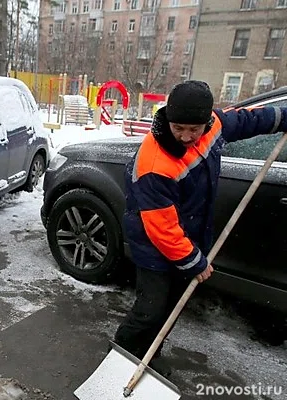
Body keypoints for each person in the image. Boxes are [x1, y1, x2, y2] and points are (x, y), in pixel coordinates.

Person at [114, 80, 287, 377]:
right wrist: (193, 261)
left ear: (207, 121)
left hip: (190, 234)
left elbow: (248, 120)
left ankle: (149, 354)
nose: (185, 136)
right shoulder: (155, 164)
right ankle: (122, 357)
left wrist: (282, 118)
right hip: (153, 245)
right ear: (168, 119)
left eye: (193, 129)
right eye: (178, 128)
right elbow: (161, 228)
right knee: (150, 309)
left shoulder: (213, 126)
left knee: (173, 307)